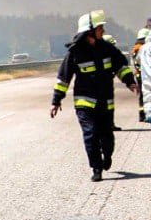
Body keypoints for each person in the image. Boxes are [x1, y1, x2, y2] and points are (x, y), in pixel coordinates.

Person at [50, 10, 138, 182]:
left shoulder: (108, 49)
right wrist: (56, 101)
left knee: (107, 137)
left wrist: (130, 81)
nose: (103, 31)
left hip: (106, 101)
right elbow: (63, 78)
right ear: (89, 30)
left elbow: (121, 66)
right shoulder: (75, 53)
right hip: (85, 103)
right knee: (90, 134)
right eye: (100, 28)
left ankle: (107, 155)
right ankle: (96, 168)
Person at [130, 28, 149, 121]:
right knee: (149, 93)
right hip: (146, 74)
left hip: (138, 74)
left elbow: (133, 63)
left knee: (142, 94)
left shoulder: (135, 47)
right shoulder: (143, 47)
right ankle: (149, 113)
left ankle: (141, 114)